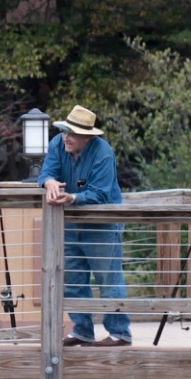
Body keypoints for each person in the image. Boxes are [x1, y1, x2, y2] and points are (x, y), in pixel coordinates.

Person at [39, 104, 129, 346]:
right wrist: (50, 183)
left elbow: (100, 193)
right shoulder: (57, 144)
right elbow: (47, 172)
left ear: (88, 137)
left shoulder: (104, 153)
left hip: (102, 225)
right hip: (69, 224)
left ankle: (119, 333)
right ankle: (82, 331)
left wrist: (72, 198)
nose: (67, 137)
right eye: (66, 131)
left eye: (73, 133)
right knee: (73, 279)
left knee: (108, 279)